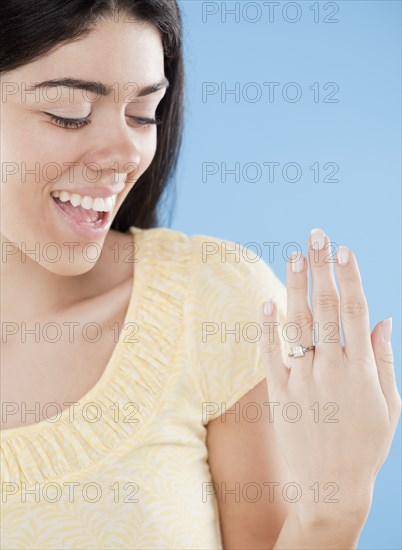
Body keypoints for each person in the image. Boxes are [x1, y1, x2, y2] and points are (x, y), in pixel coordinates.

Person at [1, 1, 400, 549]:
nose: (126, 153)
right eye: (70, 113)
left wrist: (331, 514)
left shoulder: (218, 306)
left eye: (144, 114)